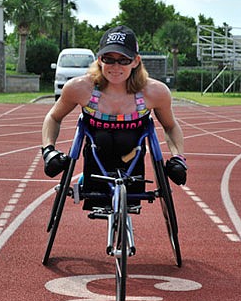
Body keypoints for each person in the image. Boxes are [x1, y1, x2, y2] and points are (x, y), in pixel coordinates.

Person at [41, 25, 187, 210]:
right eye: (109, 59)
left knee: (126, 139)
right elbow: (53, 117)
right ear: (99, 59)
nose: (115, 66)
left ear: (135, 61)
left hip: (132, 156)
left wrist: (178, 158)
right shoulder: (79, 88)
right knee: (102, 138)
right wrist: (48, 150)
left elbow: (170, 126)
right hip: (96, 155)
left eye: (123, 60)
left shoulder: (155, 92)